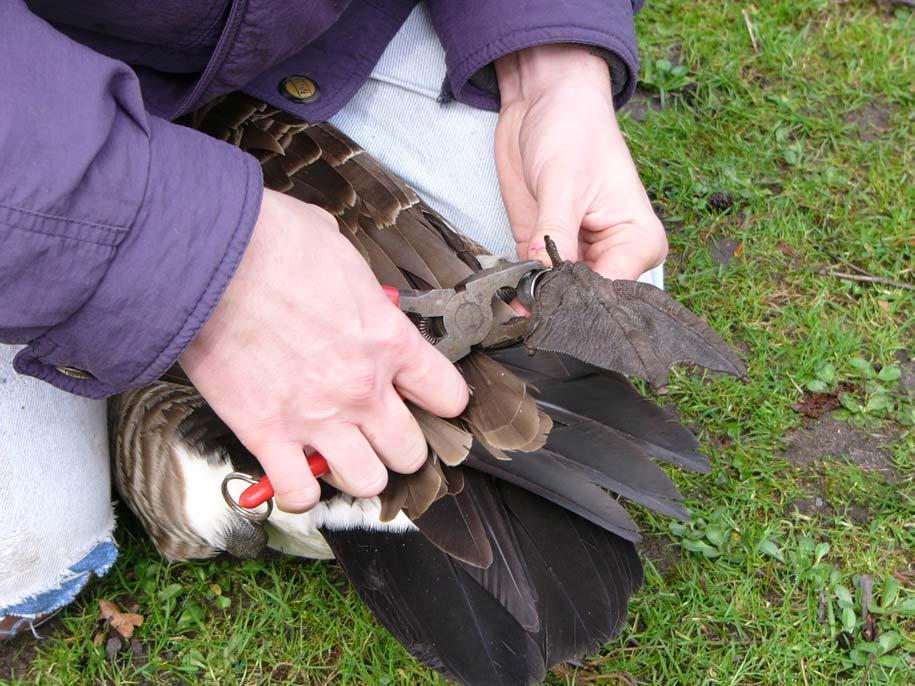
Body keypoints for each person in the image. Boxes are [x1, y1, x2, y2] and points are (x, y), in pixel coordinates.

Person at [0, 1, 667, 637]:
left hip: (303, 41)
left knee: (585, 268)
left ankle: (262, 445)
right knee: (23, 551)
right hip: (26, 123)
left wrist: (547, 59)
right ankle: (160, 389)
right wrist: (191, 256)